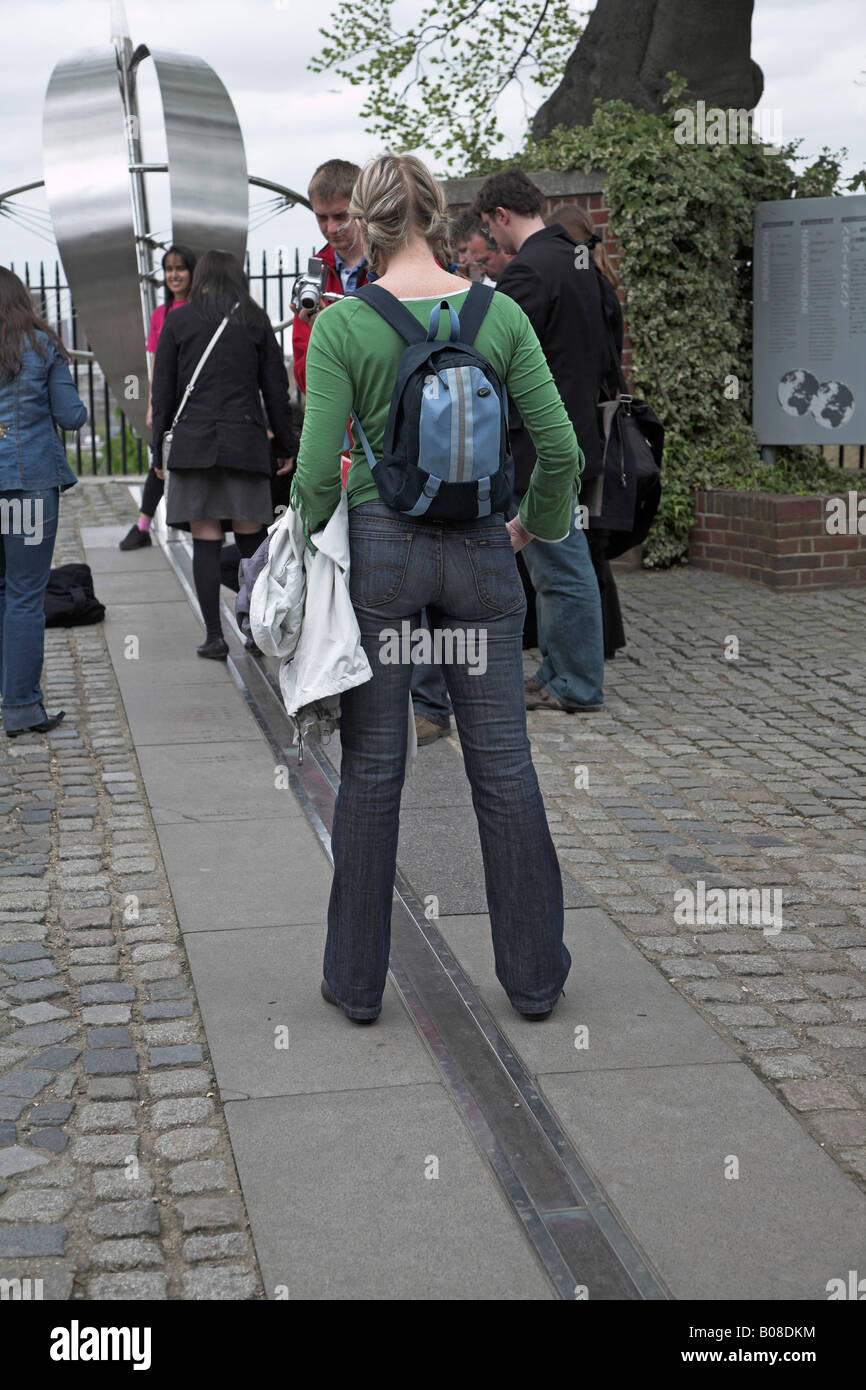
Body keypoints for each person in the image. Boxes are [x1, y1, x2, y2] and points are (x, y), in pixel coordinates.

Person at [290, 153, 583, 1024]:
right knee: (502, 765)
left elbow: (312, 473)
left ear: (367, 224)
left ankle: (354, 981)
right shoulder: (495, 313)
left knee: (375, 770)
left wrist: (312, 545)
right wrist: (534, 524)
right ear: (440, 213)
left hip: (384, 548)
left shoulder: (344, 326)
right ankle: (534, 979)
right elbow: (561, 448)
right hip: (485, 552)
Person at [474, 169, 607, 712]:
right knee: (561, 566)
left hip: (542, 443)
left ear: (502, 216)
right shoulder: (580, 264)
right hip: (580, 431)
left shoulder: (528, 271)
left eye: (489, 227)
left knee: (560, 570)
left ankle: (574, 682)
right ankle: (558, 670)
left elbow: (496, 364)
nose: (492, 241)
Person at [150, 249, 298, 659]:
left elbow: (162, 393)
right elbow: (276, 392)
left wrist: (156, 451)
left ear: (199, 278)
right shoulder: (253, 320)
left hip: (194, 446)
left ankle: (214, 636)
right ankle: (253, 629)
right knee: (251, 540)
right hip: (244, 444)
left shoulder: (179, 320)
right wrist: (286, 445)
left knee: (206, 540)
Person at [0, 266, 85, 735]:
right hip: (29, 486)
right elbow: (71, 416)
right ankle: (21, 708)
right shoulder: (42, 346)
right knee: (25, 596)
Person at [546, 204, 626, 657]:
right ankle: (602, 640)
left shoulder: (586, 287)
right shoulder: (600, 286)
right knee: (589, 543)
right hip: (599, 419)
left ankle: (596, 644)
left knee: (583, 548)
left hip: (589, 421)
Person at [119, 244, 197, 551]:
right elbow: (155, 362)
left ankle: (197, 523)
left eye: (180, 268)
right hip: (169, 399)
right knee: (159, 462)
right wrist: (153, 402)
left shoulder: (201, 309)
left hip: (197, 399)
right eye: (169, 269)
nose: (174, 275)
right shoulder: (160, 314)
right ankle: (142, 526)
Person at [291, 160, 370, 397]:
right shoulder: (314, 276)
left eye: (340, 216)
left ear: (363, 207)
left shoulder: (390, 266)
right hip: (337, 419)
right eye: (321, 218)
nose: (331, 228)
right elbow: (305, 379)